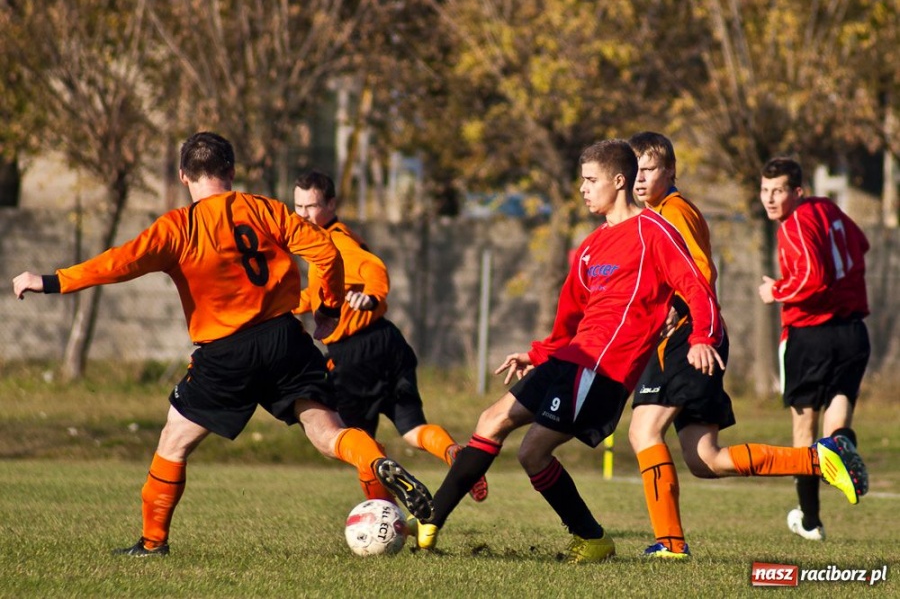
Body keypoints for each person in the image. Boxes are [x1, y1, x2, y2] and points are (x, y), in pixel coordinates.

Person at [11, 131, 433, 557]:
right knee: (329, 433)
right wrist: (327, 306)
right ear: (231, 171)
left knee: (174, 442)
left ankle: (153, 543)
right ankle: (375, 462)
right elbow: (326, 251)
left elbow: (118, 263)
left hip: (226, 353)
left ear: (182, 176)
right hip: (286, 339)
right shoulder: (265, 209)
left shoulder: (178, 227)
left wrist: (50, 281)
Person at [416, 139, 729, 562]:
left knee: (532, 452)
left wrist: (702, 338)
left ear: (619, 181)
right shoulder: (590, 246)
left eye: (590, 180)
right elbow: (570, 317)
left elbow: (697, 284)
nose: (582, 189)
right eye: (581, 180)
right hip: (572, 358)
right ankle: (430, 523)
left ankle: (592, 538)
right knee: (490, 420)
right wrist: (539, 353)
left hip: (603, 370)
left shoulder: (655, 232)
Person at [626, 132, 868, 559]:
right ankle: (821, 460)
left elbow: (700, 274)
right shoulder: (651, 214)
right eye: (634, 170)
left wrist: (695, 329)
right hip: (684, 337)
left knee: (644, 430)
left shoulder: (674, 212)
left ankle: (670, 544)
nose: (639, 178)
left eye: (648, 169)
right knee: (706, 460)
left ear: (670, 172)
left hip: (691, 336)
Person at [292, 170, 487, 504]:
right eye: (298, 206)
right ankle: (455, 453)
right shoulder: (334, 237)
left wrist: (371, 296)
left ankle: (386, 513)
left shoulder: (335, 241)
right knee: (413, 430)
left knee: (358, 443)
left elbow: (374, 270)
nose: (303, 215)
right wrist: (283, 306)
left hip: (354, 354)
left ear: (331, 204)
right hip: (389, 342)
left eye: (311, 206)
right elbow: (318, 294)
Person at [758, 156, 871, 541]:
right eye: (765, 190)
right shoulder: (827, 209)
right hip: (853, 331)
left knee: (803, 430)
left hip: (811, 335)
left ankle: (810, 520)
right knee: (837, 419)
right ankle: (842, 446)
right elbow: (862, 243)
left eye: (779, 191)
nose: (770, 199)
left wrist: (776, 290)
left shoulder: (793, 225)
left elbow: (812, 278)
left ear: (797, 192)